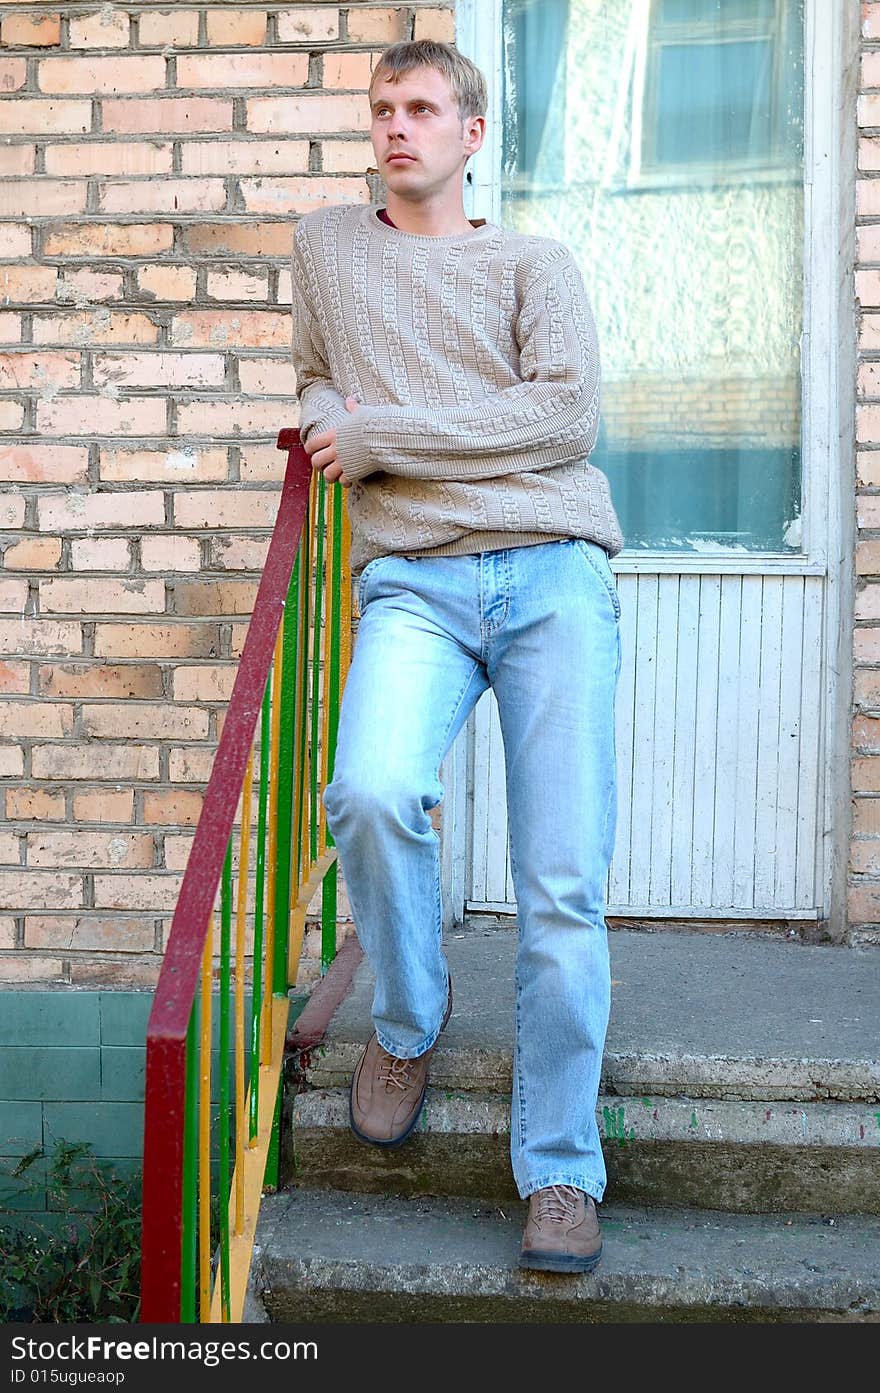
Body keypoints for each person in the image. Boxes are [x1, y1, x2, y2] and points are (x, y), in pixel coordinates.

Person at [291, 38, 623, 1274]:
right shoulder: (328, 250)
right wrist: (342, 422)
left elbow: (564, 416)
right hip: (415, 582)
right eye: (382, 108)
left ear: (469, 133)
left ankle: (558, 1169)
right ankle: (409, 1016)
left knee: (560, 883)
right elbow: (321, 385)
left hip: (550, 570)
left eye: (422, 108)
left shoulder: (533, 262)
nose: (396, 126)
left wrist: (389, 437)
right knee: (371, 789)